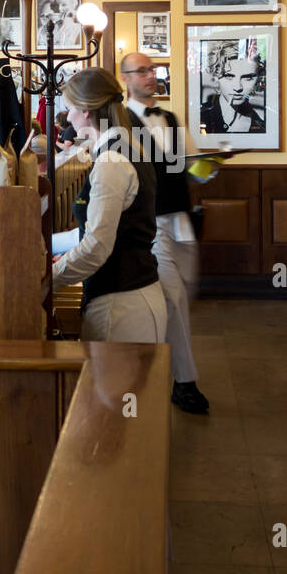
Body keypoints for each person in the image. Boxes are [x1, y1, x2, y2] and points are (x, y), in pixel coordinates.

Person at [121, 53, 210, 413]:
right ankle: (185, 382)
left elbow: (193, 167)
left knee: (183, 298)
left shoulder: (171, 119)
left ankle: (160, 370)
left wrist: (211, 167)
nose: (149, 76)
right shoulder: (121, 124)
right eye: (141, 71)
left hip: (182, 221)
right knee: (173, 301)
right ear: (125, 78)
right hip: (151, 225)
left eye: (152, 69)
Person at [51, 67, 167, 343]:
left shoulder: (111, 161)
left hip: (121, 304)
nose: (68, 116)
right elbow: (103, 229)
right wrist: (49, 243)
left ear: (86, 110)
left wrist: (44, 280)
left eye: (69, 108)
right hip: (131, 296)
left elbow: (96, 248)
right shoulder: (124, 147)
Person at [199, 42, 265, 134]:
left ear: (257, 78)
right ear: (216, 77)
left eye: (247, 77)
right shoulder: (199, 119)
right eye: (229, 76)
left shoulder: (262, 124)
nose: (238, 87)